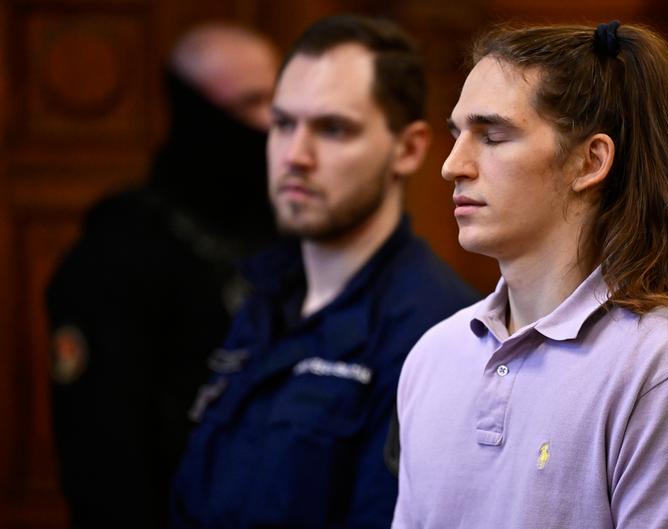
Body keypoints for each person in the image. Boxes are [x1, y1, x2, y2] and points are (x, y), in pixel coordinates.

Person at [393, 21, 668, 529]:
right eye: (457, 136)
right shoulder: (434, 354)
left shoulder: (666, 364)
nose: (452, 166)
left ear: (590, 161)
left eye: (493, 136)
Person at [170, 15, 478, 529]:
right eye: (282, 124)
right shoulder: (262, 298)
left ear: (408, 149)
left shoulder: (436, 333)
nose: (295, 156)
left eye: (333, 129)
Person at [46, 23, 280, 529]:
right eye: (250, 103)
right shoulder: (121, 247)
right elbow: (101, 446)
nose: (270, 125)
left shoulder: (285, 228)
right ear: (197, 112)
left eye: (275, 104)